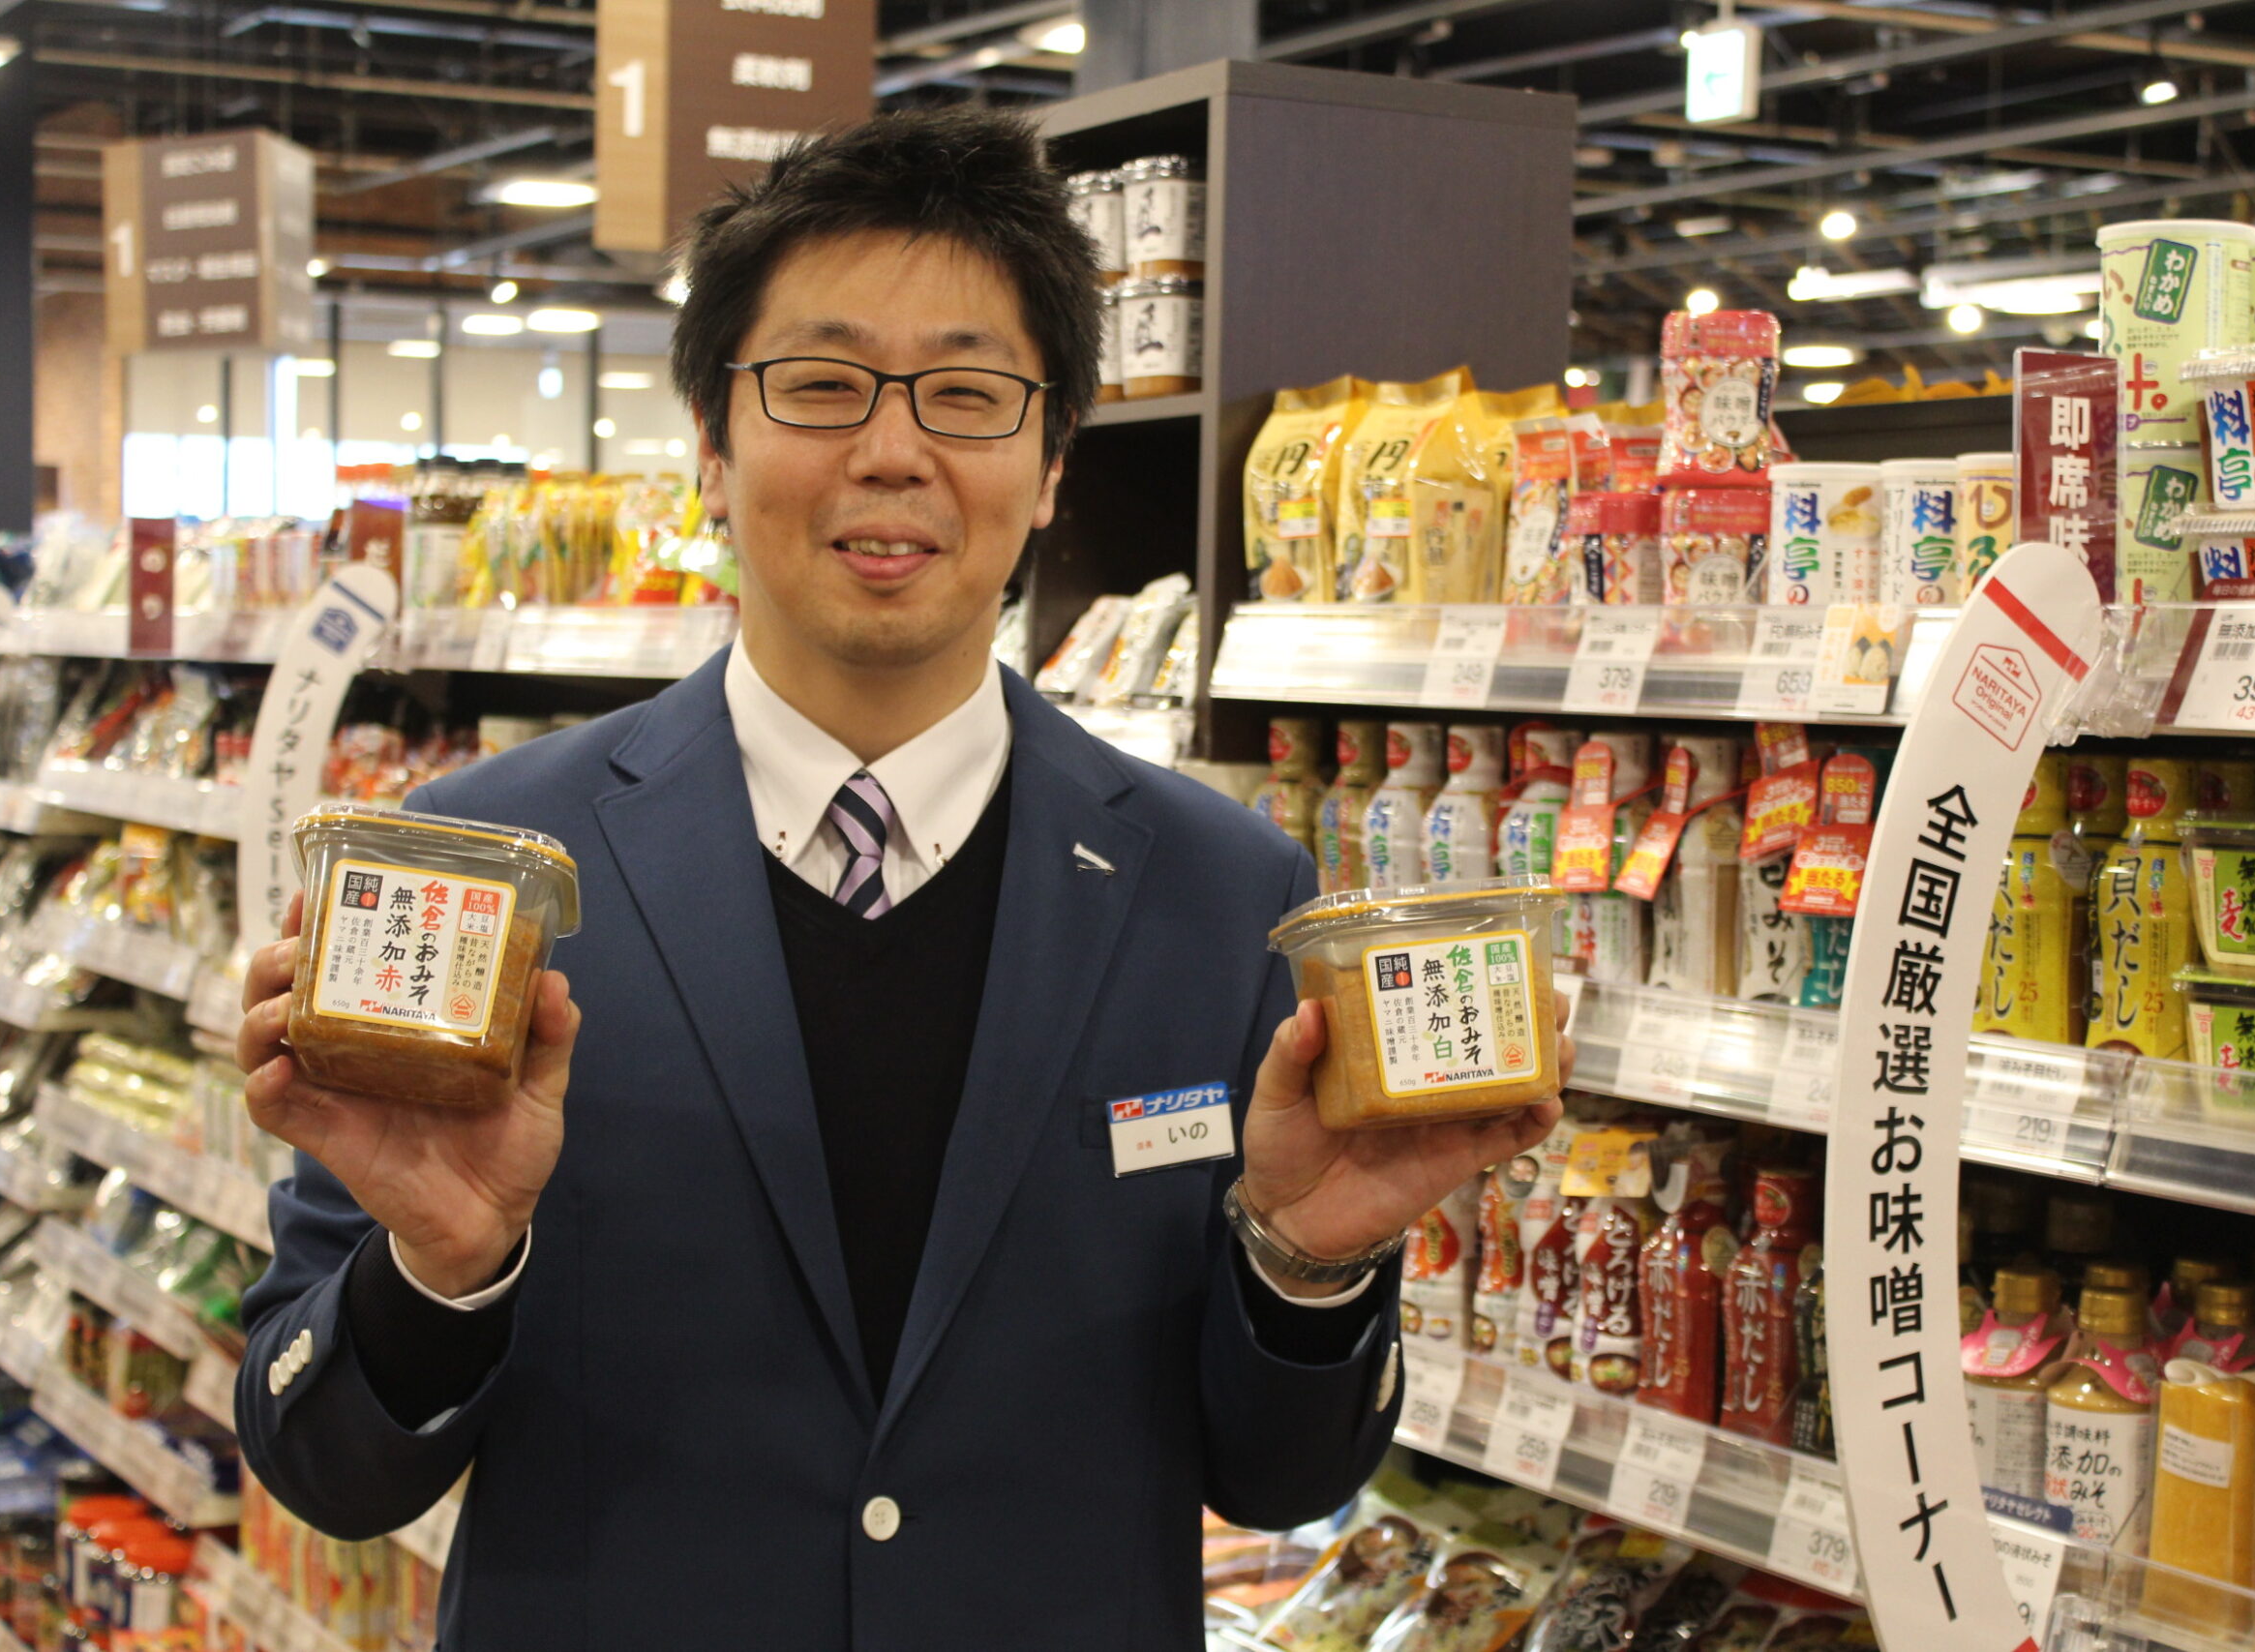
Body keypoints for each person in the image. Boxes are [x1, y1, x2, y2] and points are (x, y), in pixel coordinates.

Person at [231, 107, 1562, 1649]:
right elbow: (323, 1466)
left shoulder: (1218, 895)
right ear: (711, 444)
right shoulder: (484, 875)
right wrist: (440, 1272)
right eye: (821, 384)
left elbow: (1280, 1482)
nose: (890, 451)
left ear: (1053, 462)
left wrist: (1305, 1265)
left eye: (968, 395)